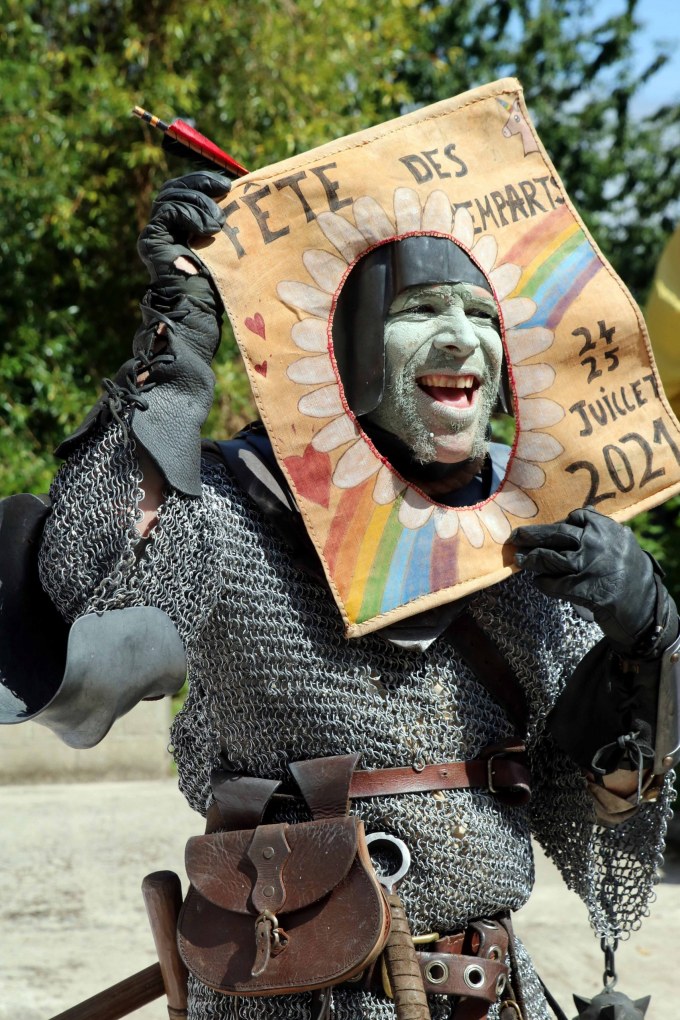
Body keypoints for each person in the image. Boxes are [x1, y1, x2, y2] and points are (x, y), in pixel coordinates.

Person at [2, 168, 679, 1020]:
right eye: (423, 311)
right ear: (352, 342)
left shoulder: (533, 538)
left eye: (481, 315)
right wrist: (173, 359)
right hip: (296, 993)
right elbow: (86, 579)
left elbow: (590, 815)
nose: (463, 339)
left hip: (496, 993)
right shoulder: (237, 509)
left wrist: (646, 638)